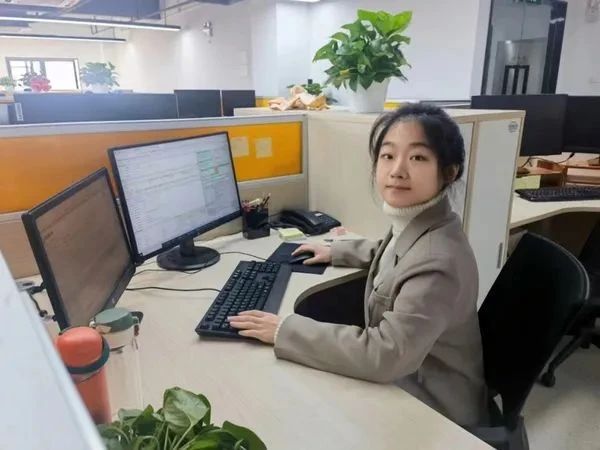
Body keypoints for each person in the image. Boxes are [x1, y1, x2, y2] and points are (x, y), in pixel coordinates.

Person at [228, 104, 487, 426]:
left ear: (449, 172)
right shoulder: (426, 224)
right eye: (388, 155)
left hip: (433, 408)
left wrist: (284, 330)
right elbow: (395, 251)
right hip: (410, 376)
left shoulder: (438, 261)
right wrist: (337, 251)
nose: (397, 170)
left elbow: (385, 355)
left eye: (418, 157)